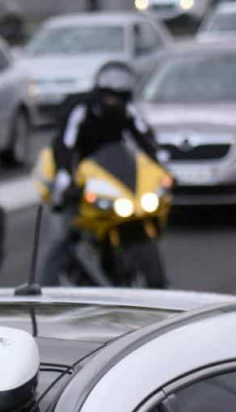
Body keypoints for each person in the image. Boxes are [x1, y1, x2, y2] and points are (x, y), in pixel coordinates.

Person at [38, 61, 161, 285]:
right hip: (72, 173)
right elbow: (65, 144)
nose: (112, 101)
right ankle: (43, 287)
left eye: (118, 97)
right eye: (108, 96)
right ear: (99, 93)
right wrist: (65, 178)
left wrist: (162, 166)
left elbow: (144, 138)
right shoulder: (80, 109)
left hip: (108, 176)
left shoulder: (127, 111)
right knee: (63, 235)